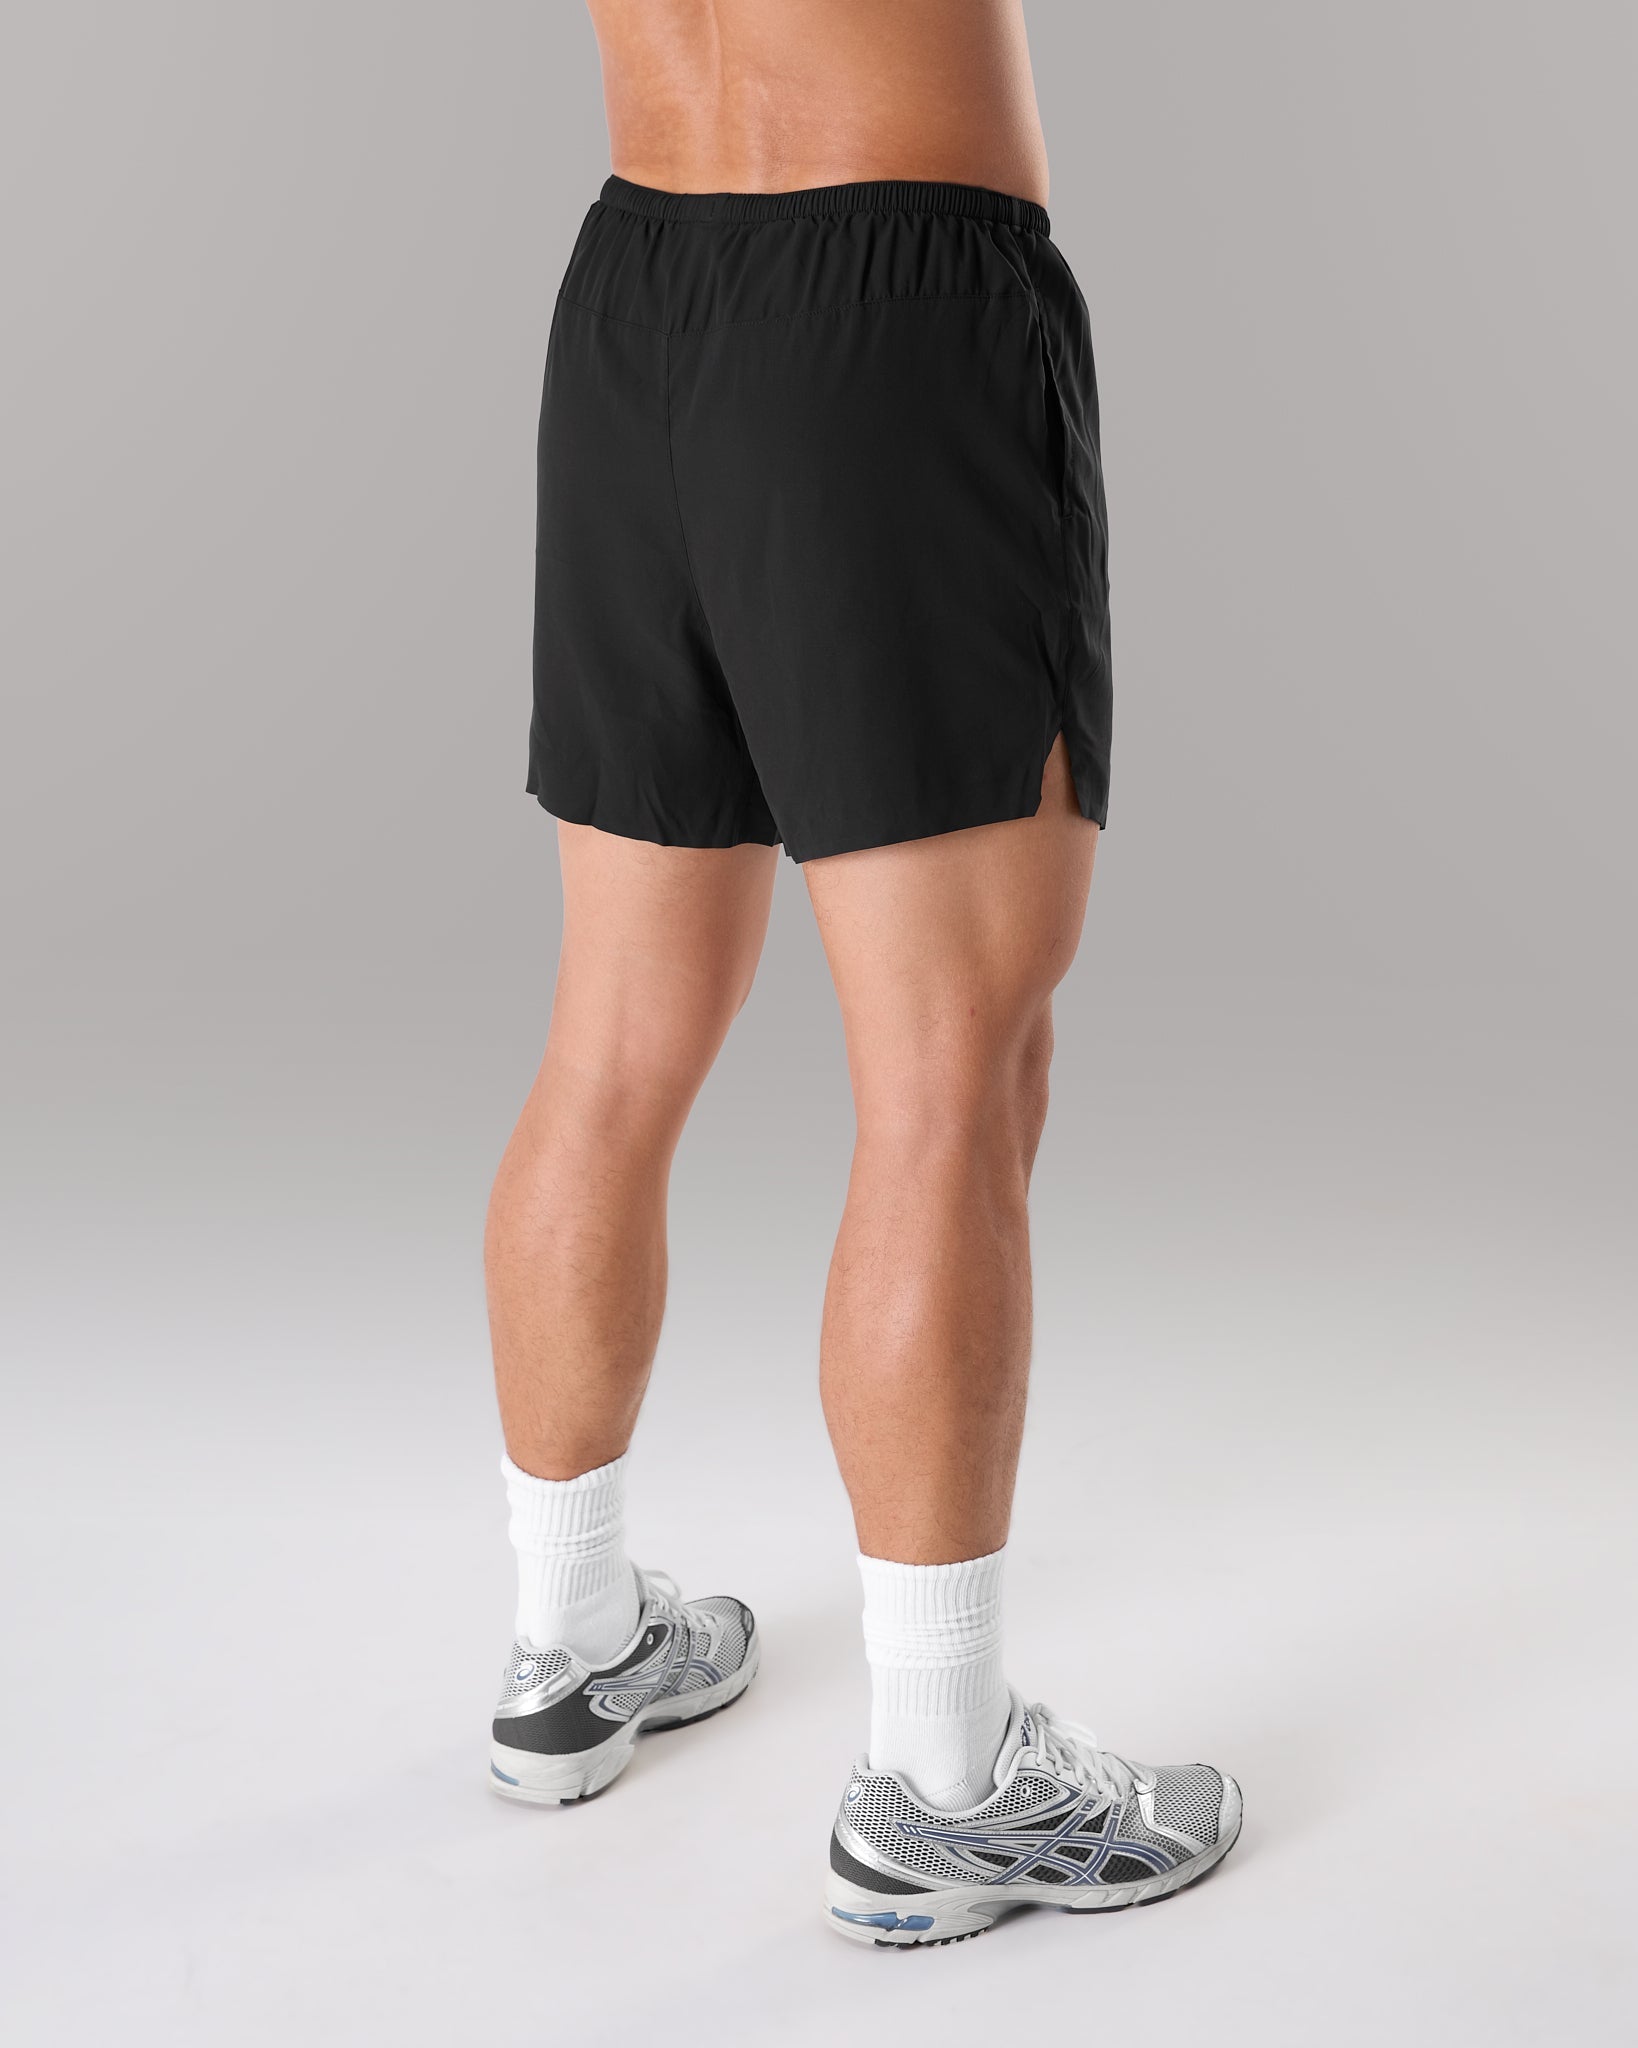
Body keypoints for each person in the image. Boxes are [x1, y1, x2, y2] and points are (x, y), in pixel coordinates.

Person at [484, 0, 1239, 1946]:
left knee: (613, 1037)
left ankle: (571, 1644)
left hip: (639, 294)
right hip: (892, 311)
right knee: (950, 1074)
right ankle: (944, 1783)